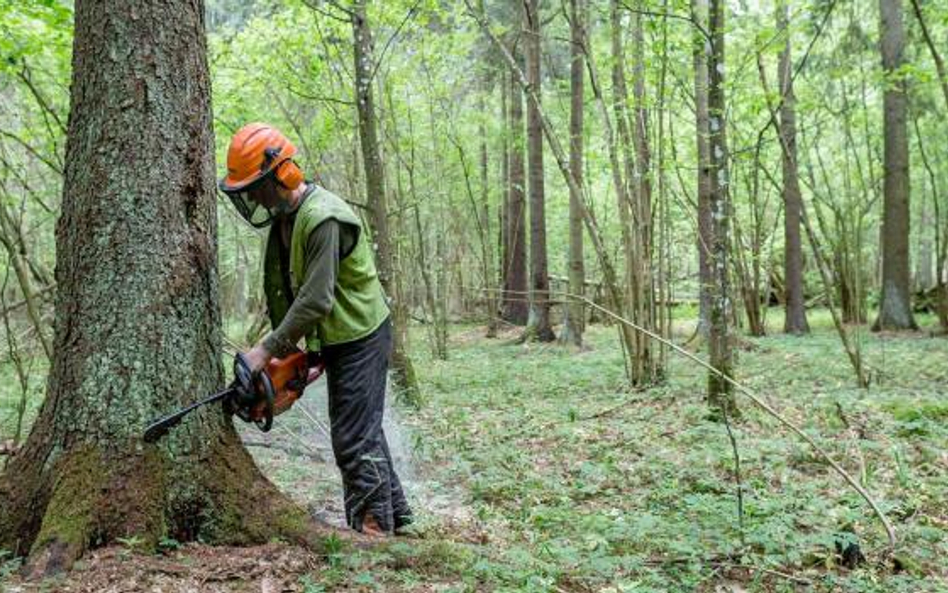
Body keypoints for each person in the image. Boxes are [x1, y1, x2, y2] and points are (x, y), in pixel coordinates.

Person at [218, 123, 412, 536]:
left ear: (281, 175)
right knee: (363, 430)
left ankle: (374, 533)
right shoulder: (287, 221)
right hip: (339, 336)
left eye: (255, 186)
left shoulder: (322, 218)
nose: (251, 196)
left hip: (361, 335)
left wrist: (265, 351)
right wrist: (304, 354)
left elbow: (317, 298)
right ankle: (398, 517)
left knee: (352, 438)